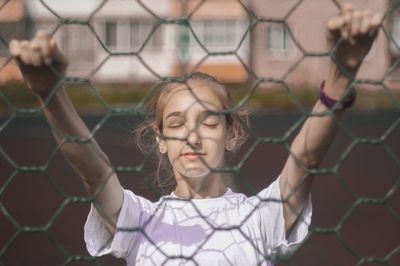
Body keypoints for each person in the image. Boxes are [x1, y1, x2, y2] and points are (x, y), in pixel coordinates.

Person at [9, 4, 382, 265]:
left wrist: (340, 76)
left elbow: (306, 160)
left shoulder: (259, 217)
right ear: (159, 139)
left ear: (231, 133)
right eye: (175, 124)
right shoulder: (140, 220)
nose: (191, 136)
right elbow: (93, 171)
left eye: (208, 121)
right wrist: (51, 95)